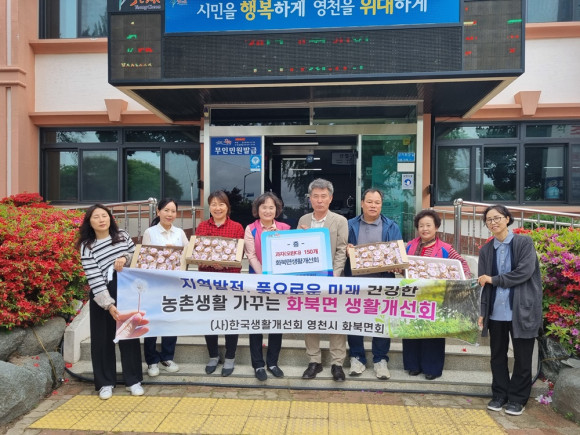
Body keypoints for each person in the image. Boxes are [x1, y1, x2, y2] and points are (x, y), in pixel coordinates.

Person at [477, 205, 542, 416]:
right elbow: (483, 285)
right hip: (496, 311)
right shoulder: (486, 250)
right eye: (489, 220)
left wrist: (494, 279)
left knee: (523, 357)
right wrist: (482, 311)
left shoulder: (524, 243)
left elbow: (524, 272)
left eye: (497, 218)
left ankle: (517, 399)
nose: (493, 222)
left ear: (507, 219)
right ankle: (499, 395)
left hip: (522, 310)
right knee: (497, 356)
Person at [77, 204, 147, 400]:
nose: (101, 219)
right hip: (102, 294)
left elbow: (138, 257)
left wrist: (125, 257)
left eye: (104, 215)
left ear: (110, 218)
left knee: (129, 336)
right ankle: (105, 383)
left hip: (126, 290)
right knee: (102, 340)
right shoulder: (87, 246)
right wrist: (108, 304)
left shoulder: (122, 236)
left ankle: (133, 380)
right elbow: (93, 277)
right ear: (89, 222)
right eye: (96, 217)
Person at [403, 209, 471, 380]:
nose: (424, 229)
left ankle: (432, 368)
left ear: (436, 227)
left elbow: (462, 265)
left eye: (428, 225)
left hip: (436, 297)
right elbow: (401, 266)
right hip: (413, 296)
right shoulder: (409, 246)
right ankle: (413, 365)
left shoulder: (446, 248)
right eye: (421, 226)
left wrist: (463, 281)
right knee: (411, 330)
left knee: (433, 332)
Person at [345, 189, 401, 380]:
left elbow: (397, 254)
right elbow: (339, 248)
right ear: (362, 203)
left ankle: (380, 360)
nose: (373, 206)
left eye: (377, 202)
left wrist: (397, 263)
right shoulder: (350, 225)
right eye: (369, 202)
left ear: (381, 205)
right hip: (356, 283)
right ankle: (357, 358)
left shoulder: (391, 226)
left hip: (382, 282)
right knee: (355, 320)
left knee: (382, 321)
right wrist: (346, 249)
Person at [297, 178, 349, 382]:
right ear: (310, 199)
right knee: (310, 319)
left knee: (336, 320)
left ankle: (337, 363)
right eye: (315, 196)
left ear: (330, 198)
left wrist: (334, 275)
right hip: (309, 280)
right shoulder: (303, 219)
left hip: (333, 280)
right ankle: (314, 361)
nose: (319, 200)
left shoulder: (340, 221)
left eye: (323, 196)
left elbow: (342, 249)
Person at [195, 191, 244, 376]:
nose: (217, 208)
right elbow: (197, 253)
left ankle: (230, 357)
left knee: (231, 320)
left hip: (230, 281)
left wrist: (224, 264)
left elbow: (239, 255)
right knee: (210, 320)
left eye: (221, 204)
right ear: (209, 207)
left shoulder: (237, 227)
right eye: (214, 204)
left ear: (227, 206)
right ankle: (213, 356)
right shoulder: (202, 227)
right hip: (207, 281)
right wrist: (209, 262)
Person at [244, 192, 291, 381]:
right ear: (258, 209)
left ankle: (272, 362)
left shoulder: (285, 228)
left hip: (279, 284)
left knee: (276, 323)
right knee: (256, 323)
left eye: (271, 207)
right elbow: (251, 255)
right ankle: (257, 364)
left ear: (276, 210)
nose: (268, 211)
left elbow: (290, 254)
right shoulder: (251, 229)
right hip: (257, 281)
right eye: (264, 207)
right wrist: (265, 276)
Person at [141, 198, 188, 377]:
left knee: (170, 321)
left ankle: (168, 357)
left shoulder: (180, 233)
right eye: (166, 210)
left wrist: (176, 252)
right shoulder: (150, 232)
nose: (170, 214)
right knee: (152, 321)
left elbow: (188, 255)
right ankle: (152, 361)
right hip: (153, 285)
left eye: (173, 211)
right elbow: (144, 258)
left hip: (173, 284)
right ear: (158, 211)